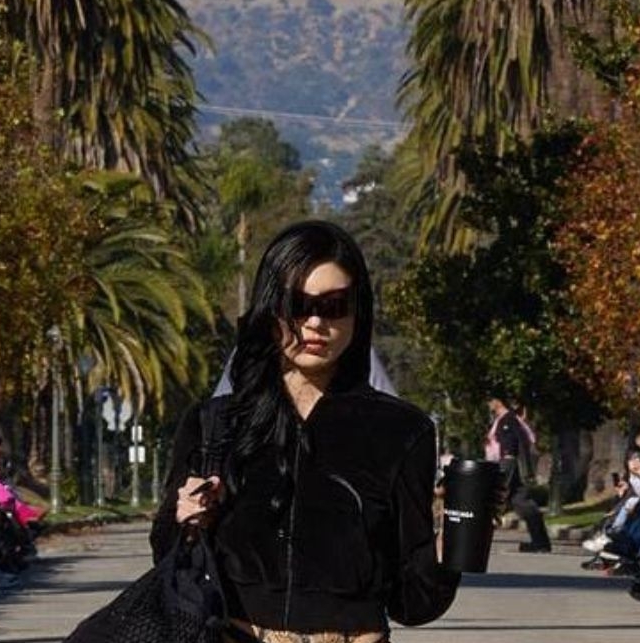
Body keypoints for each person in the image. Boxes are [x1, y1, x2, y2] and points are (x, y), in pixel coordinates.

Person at [152, 220, 460, 642]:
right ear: (271, 309)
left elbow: (413, 601)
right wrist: (185, 520)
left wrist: (463, 532)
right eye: (298, 304)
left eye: (334, 306)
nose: (316, 322)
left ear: (358, 312)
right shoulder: (214, 424)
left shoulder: (402, 432)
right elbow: (167, 561)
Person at [483, 397, 551, 552]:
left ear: (498, 401)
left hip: (508, 464)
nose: (488, 403)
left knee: (491, 499)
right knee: (522, 502)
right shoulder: (505, 419)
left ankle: (475, 540)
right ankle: (540, 542)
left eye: (490, 399)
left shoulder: (508, 420)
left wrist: (505, 468)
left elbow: (513, 445)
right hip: (510, 465)